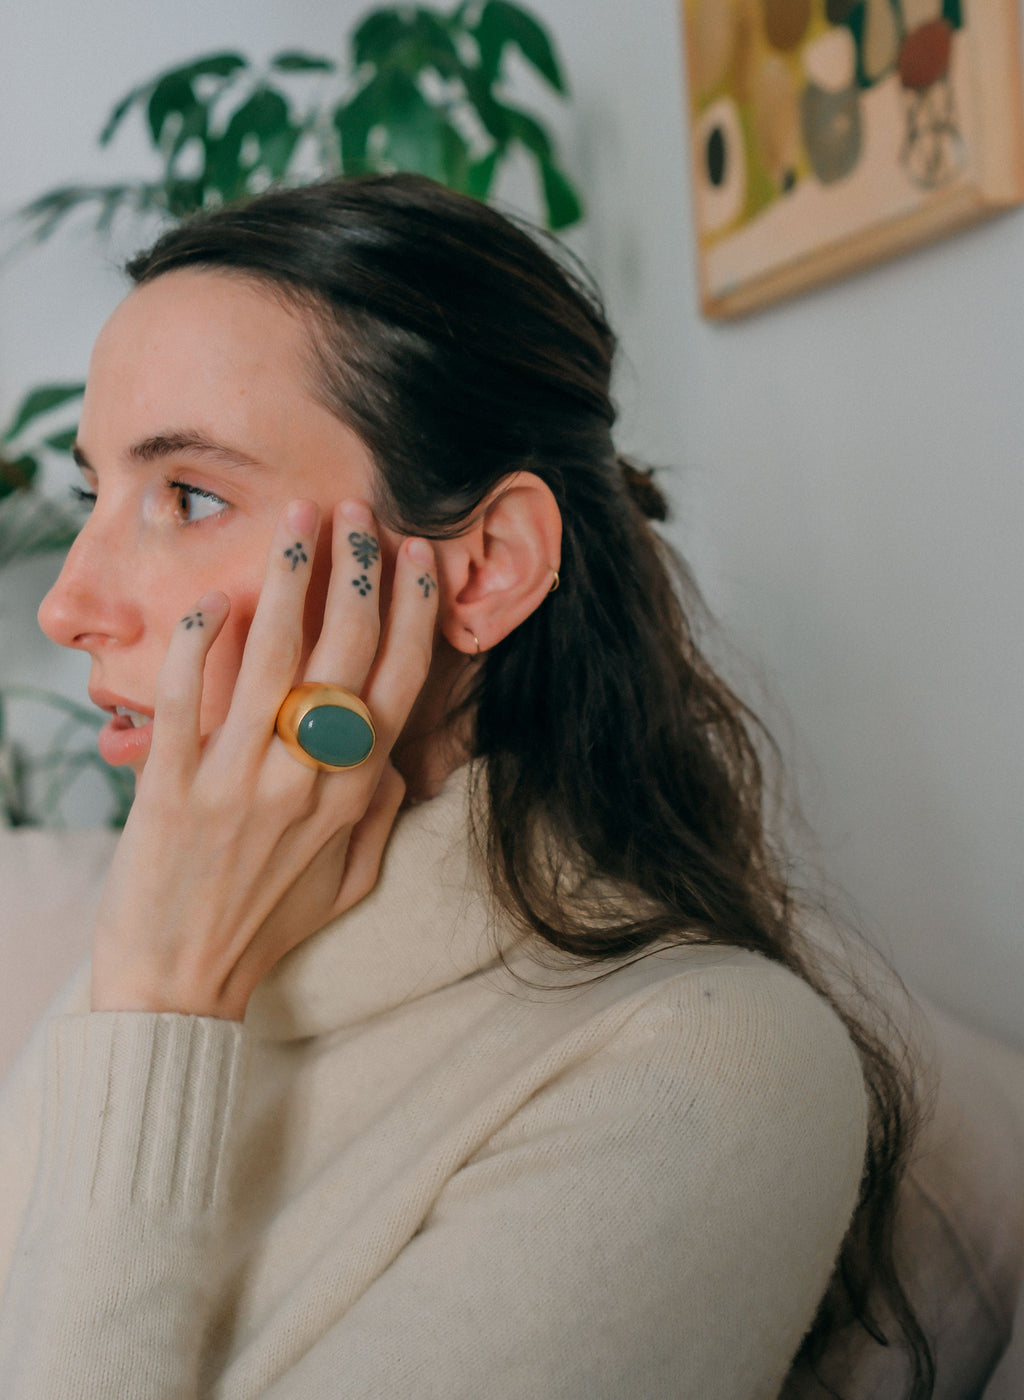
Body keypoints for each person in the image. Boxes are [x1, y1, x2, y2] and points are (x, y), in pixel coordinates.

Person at [0, 174, 931, 1398]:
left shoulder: (714, 1069)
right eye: (93, 491)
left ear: (484, 567)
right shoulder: (177, 913)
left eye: (190, 494)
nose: (67, 604)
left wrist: (164, 998)